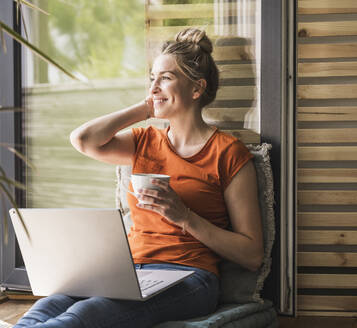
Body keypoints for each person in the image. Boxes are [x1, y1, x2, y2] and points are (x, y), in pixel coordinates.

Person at [14, 28, 263, 328]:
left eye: (166, 78)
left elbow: (251, 254)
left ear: (197, 89)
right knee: (48, 306)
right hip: (129, 273)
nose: (154, 86)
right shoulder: (145, 140)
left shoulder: (228, 153)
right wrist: (149, 105)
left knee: (84, 315)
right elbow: (83, 139)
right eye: (152, 78)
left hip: (191, 277)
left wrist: (183, 216)